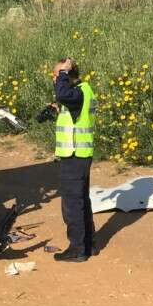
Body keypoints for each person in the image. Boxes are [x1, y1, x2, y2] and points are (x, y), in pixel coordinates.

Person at [49, 57, 96, 262]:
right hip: (81, 154)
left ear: (69, 75)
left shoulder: (75, 92)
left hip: (74, 154)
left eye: (58, 74)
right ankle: (89, 244)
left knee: (72, 204)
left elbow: (63, 93)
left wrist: (63, 73)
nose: (55, 78)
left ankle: (77, 249)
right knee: (82, 201)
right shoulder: (82, 91)